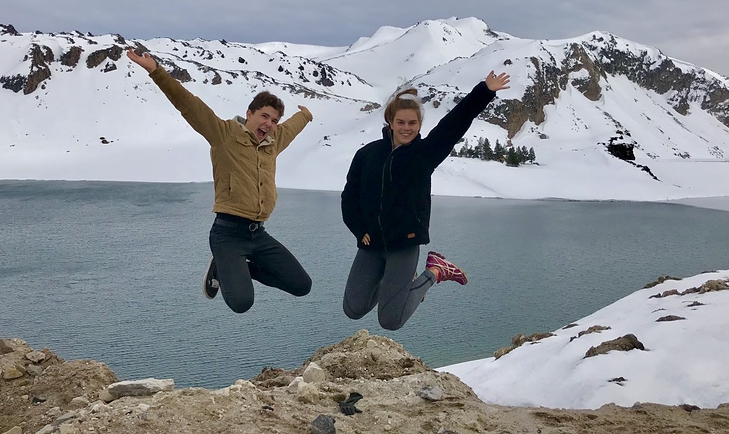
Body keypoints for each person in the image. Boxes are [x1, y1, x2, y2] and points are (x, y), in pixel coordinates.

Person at [126, 48, 314, 314]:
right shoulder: (224, 135)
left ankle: (241, 268)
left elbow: (292, 127)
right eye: (264, 116)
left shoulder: (273, 142)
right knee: (241, 303)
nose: (269, 124)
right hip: (228, 234)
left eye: (274, 120)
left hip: (259, 234)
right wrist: (156, 71)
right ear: (249, 114)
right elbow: (189, 104)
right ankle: (222, 266)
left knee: (301, 285)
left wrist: (306, 115)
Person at [341, 70, 512, 330]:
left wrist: (484, 92)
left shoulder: (425, 154)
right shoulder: (367, 155)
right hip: (371, 243)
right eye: (401, 122)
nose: (406, 128)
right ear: (390, 121)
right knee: (353, 309)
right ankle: (397, 283)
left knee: (390, 320)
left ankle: (435, 271)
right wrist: (359, 228)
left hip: (404, 243)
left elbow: (456, 121)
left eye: (412, 123)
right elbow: (349, 197)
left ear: (419, 125)